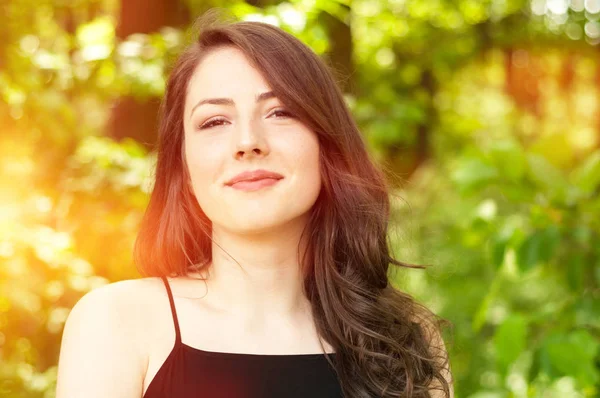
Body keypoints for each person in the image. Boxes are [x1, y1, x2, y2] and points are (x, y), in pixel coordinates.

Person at [56, 8, 454, 398]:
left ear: (326, 142)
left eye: (281, 112)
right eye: (215, 121)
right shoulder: (117, 322)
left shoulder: (406, 335)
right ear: (183, 165)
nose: (248, 142)